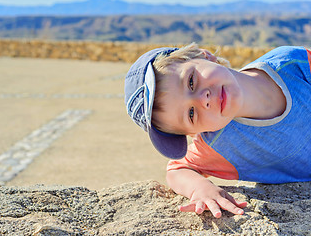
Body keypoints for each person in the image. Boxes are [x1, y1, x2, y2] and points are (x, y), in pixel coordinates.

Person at [124, 43, 311, 218]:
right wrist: (199, 188)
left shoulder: (295, 64)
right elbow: (177, 169)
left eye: (191, 81)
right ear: (193, 133)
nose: (202, 99)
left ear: (203, 55)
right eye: (191, 114)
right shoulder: (218, 145)